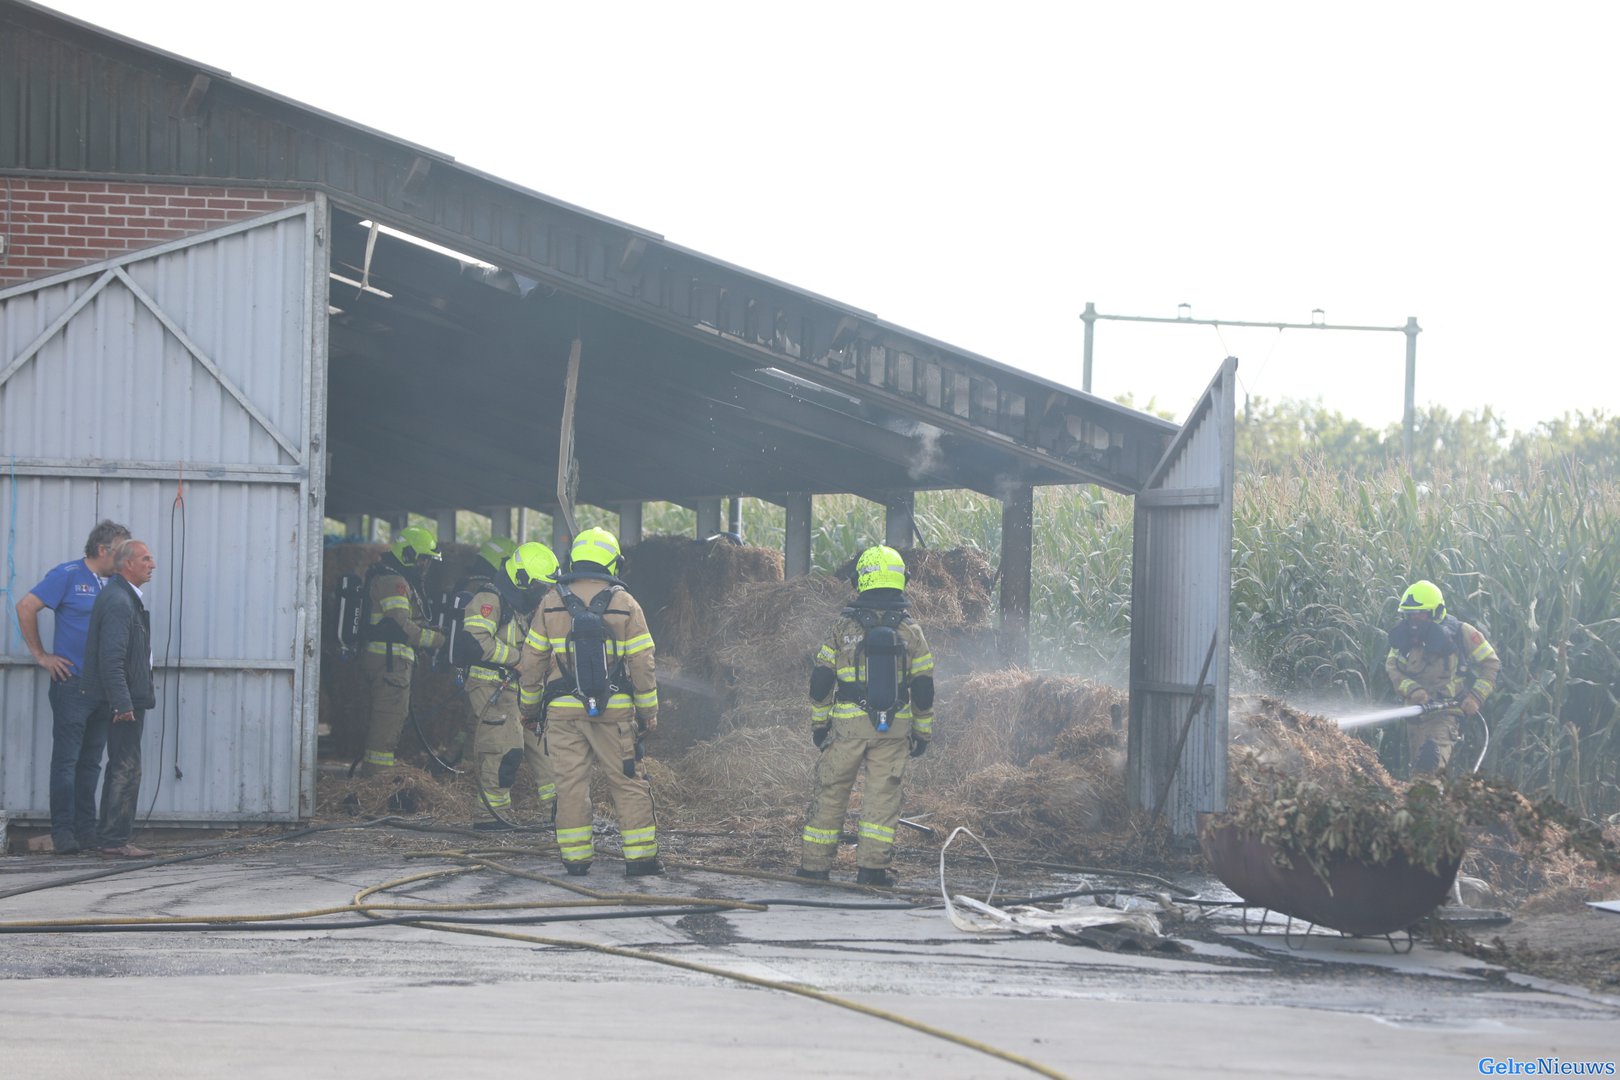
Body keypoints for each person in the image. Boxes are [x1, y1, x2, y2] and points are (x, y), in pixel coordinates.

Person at [518, 527, 661, 876]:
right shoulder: (625, 603)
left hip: (562, 713)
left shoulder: (551, 601)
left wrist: (529, 710)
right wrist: (648, 712)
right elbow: (642, 663)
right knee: (627, 781)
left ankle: (576, 860)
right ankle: (640, 859)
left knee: (569, 786)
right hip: (614, 713)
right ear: (613, 562)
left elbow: (532, 662)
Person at [797, 545, 935, 886]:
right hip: (894, 730)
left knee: (831, 791)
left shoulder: (841, 627)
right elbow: (923, 688)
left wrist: (819, 724)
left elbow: (821, 680)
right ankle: (872, 870)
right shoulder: (911, 631)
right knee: (882, 796)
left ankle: (814, 868)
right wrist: (922, 732)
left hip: (847, 728)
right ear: (900, 579)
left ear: (861, 579)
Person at [16, 519, 131, 854]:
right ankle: (63, 833)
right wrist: (41, 655)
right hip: (73, 684)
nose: (125, 558)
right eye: (120, 551)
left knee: (92, 762)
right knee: (67, 761)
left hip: (104, 687)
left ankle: (86, 831)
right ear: (102, 550)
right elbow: (26, 606)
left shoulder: (118, 583)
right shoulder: (67, 575)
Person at [459, 541, 560, 828]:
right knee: (505, 749)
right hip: (489, 687)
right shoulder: (490, 599)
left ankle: (558, 811)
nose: (543, 592)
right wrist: (518, 659)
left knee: (545, 747)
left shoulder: (522, 607)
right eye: (540, 586)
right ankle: (491, 815)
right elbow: (474, 641)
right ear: (522, 578)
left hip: (517, 689)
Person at [79, 539, 158, 858]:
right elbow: (111, 658)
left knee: (121, 766)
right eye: (146, 559)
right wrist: (122, 703)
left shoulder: (125, 597)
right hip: (122, 703)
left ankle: (111, 837)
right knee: (126, 767)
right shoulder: (118, 601)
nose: (152, 565)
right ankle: (114, 840)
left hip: (125, 698)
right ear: (128, 564)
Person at [1385, 579, 1500, 774]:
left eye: (1419, 614)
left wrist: (1475, 697)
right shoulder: (1406, 637)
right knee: (1418, 773)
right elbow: (1392, 668)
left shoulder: (1461, 633)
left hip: (1444, 714)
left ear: (1436, 612)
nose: (1413, 621)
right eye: (1409, 615)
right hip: (1415, 715)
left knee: (1429, 768)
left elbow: (1491, 664)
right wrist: (1413, 690)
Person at [358, 525, 446, 776]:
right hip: (390, 665)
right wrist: (440, 641)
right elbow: (401, 626)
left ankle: (376, 779)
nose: (425, 565)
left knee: (389, 722)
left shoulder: (392, 577)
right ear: (408, 554)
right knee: (386, 727)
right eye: (422, 558)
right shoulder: (395, 582)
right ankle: (376, 782)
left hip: (390, 663)